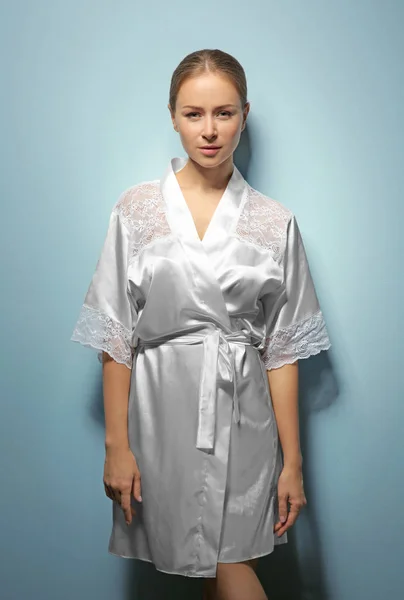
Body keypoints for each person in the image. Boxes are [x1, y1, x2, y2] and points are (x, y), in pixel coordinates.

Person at [71, 49, 331, 600]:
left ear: (244, 114)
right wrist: (116, 446)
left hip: (244, 413)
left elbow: (282, 353)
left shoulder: (274, 221)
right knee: (202, 571)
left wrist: (293, 464)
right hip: (160, 413)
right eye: (194, 114)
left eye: (224, 113)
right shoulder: (136, 209)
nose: (209, 131)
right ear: (172, 115)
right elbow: (116, 337)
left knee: (229, 562)